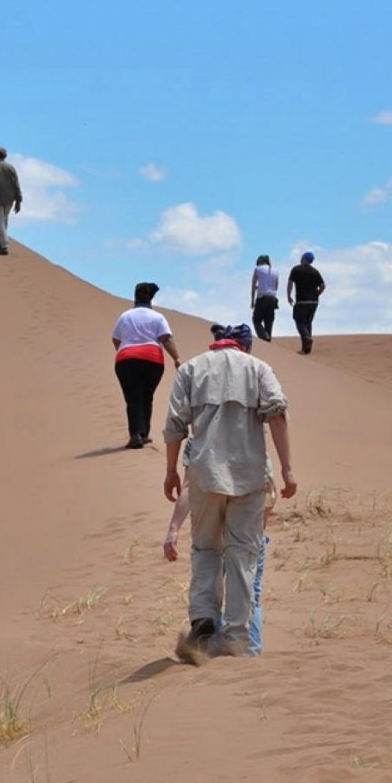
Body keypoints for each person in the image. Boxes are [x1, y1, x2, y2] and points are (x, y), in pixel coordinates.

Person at [163, 323, 296, 661]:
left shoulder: (191, 369)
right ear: (244, 348)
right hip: (249, 474)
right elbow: (277, 416)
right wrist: (287, 469)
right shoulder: (259, 369)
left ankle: (204, 619)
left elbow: (175, 425)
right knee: (242, 554)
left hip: (205, 475)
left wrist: (170, 472)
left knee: (205, 548)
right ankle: (235, 637)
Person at [164, 436, 277, 656]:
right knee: (250, 591)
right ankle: (247, 650)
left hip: (212, 532)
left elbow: (188, 488)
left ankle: (208, 645)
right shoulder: (252, 437)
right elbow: (269, 493)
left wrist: (174, 528)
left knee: (209, 587)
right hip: (248, 534)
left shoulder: (197, 441)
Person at [112, 283, 181, 449]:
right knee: (147, 395)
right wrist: (176, 357)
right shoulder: (158, 317)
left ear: (135, 297)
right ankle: (144, 434)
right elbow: (166, 339)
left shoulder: (125, 316)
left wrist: (123, 350)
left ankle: (135, 434)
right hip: (153, 360)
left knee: (133, 397)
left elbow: (115, 338)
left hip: (126, 359)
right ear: (151, 299)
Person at [287, 251, 326, 355]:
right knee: (308, 323)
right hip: (313, 302)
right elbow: (323, 286)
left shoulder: (296, 269)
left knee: (299, 321)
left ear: (304, 258)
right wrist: (317, 294)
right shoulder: (315, 272)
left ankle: (307, 338)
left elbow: (290, 283)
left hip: (301, 301)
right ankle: (306, 349)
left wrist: (288, 296)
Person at [250, 254, 279, 341]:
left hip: (262, 297)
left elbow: (253, 285)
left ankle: (264, 336)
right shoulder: (275, 270)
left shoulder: (258, 269)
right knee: (269, 321)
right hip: (273, 298)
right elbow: (276, 287)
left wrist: (252, 300)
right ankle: (268, 339)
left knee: (256, 320)